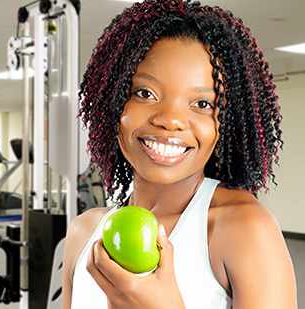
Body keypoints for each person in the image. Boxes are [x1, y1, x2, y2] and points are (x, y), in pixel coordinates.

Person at [62, 0, 298, 308]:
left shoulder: (244, 228)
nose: (170, 120)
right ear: (113, 103)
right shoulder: (83, 233)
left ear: (225, 123)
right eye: (144, 93)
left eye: (202, 104)